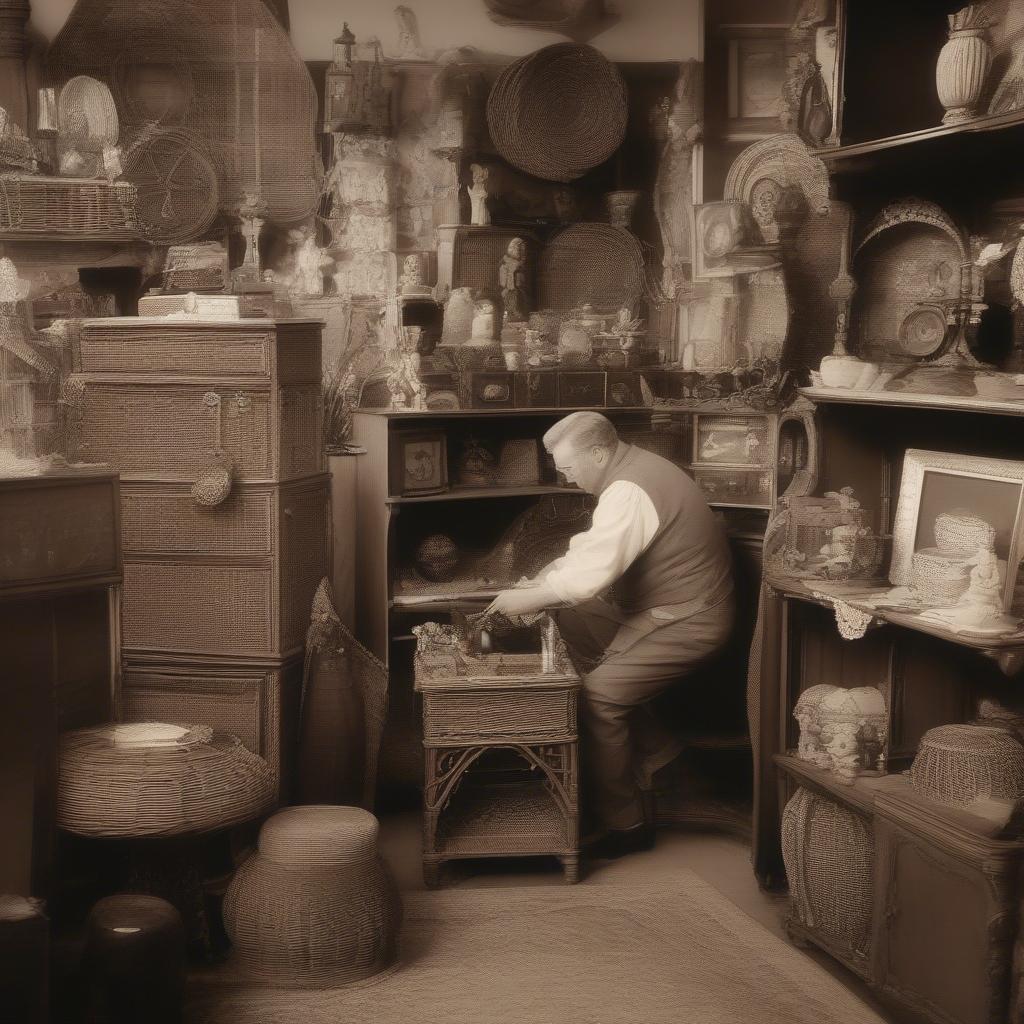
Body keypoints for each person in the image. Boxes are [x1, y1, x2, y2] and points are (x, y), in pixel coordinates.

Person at [486, 411, 735, 858]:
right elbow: (592, 552)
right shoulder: (633, 470)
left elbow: (588, 579)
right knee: (571, 621)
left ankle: (625, 824)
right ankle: (663, 760)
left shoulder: (628, 489)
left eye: (570, 468)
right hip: (662, 606)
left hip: (690, 618)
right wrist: (547, 577)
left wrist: (528, 598)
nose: (567, 478)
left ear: (599, 453)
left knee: (597, 696)